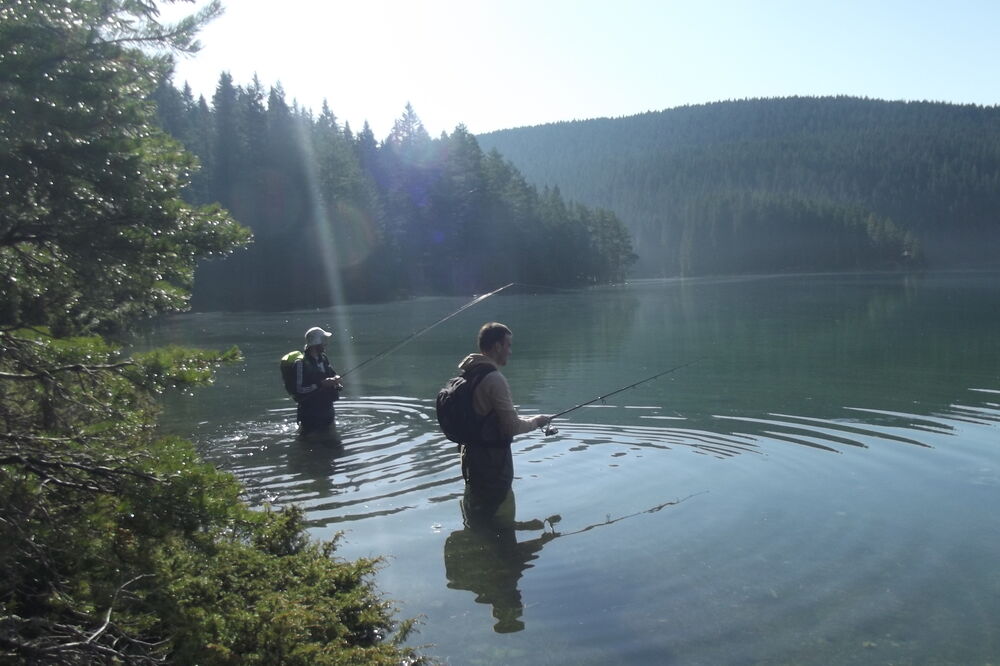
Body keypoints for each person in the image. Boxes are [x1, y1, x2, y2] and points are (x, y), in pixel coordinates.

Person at [456, 322, 551, 498]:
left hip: (469, 457)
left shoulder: (469, 374)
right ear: (497, 347)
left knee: (475, 505)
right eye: (508, 345)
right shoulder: (494, 379)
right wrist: (537, 421)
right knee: (498, 510)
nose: (510, 351)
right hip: (492, 463)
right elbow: (511, 427)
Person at [294, 326, 343, 434]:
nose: (326, 344)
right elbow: (299, 389)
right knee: (310, 441)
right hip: (310, 413)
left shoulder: (324, 358)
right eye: (323, 341)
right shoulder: (300, 363)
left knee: (334, 442)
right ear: (316, 342)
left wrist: (336, 380)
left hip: (327, 409)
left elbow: (332, 374)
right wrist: (321, 384)